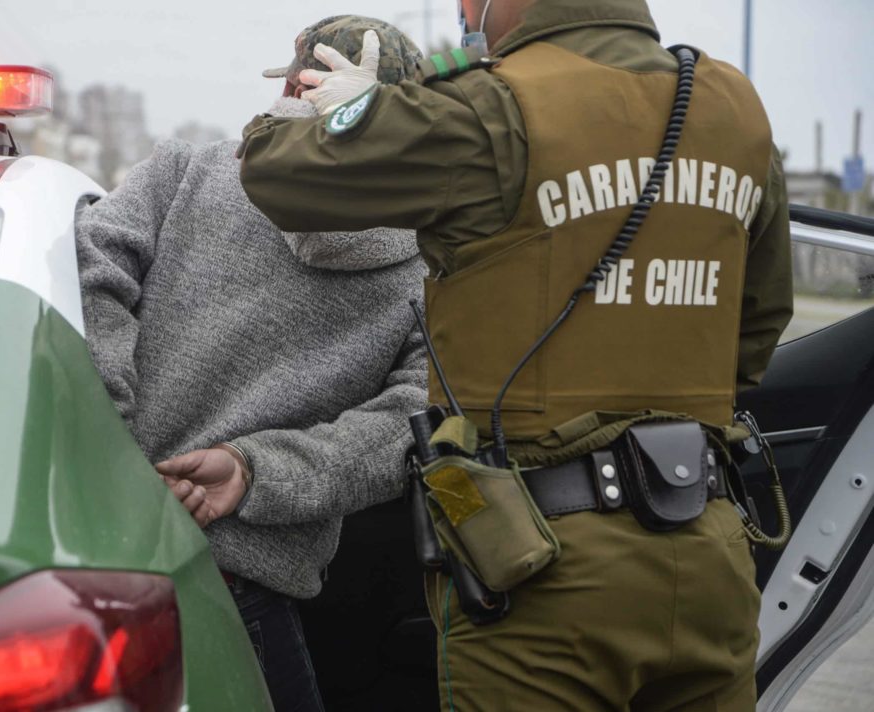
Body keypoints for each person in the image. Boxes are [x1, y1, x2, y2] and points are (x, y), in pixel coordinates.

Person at [237, 1, 793, 710]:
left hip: (538, 564)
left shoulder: (489, 103)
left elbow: (276, 171)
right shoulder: (732, 108)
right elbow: (757, 327)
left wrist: (328, 109)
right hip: (711, 550)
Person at [75, 16, 427, 712]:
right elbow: (414, 427)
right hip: (243, 588)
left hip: (90, 548)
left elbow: (89, 273)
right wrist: (256, 470)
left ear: (294, 85)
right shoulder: (427, 266)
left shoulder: (183, 171)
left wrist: (112, 450)